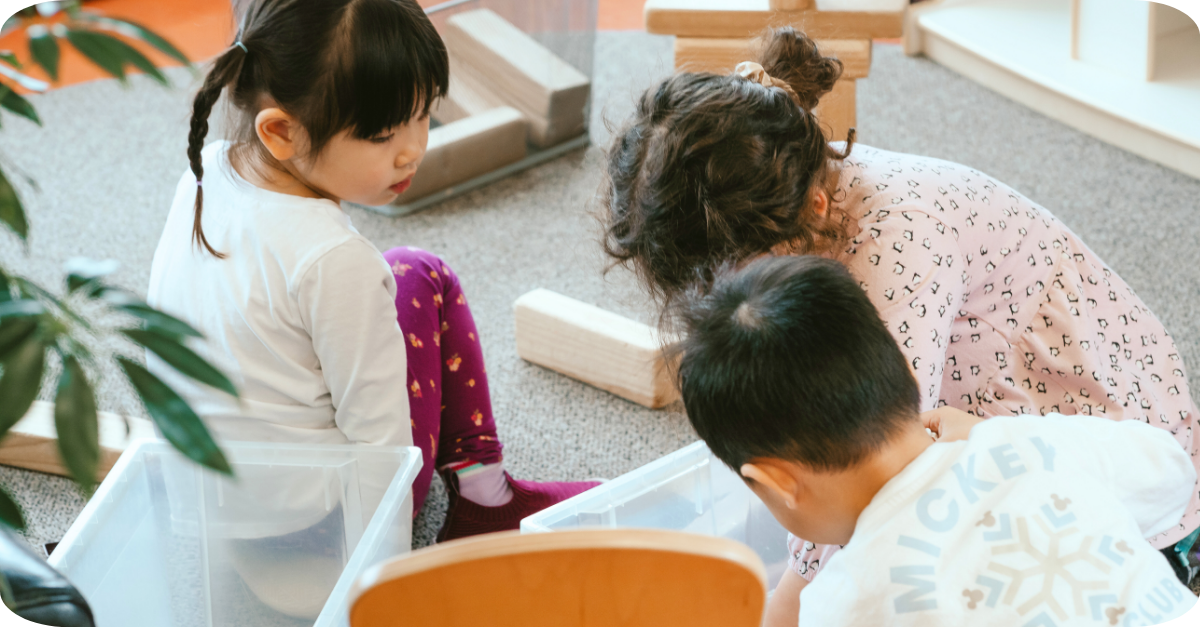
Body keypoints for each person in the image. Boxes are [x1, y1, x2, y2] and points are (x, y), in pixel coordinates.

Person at [600, 25, 1200, 606]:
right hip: (1029, 430)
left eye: (739, 273)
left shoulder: (900, 246)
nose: (735, 297)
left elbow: (866, 464)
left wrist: (799, 590)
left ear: (812, 209)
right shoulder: (806, 185)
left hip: (1096, 453)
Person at [146, 0, 595, 543]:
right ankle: (485, 496)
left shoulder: (206, 168)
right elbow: (383, 446)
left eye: (425, 112)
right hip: (323, 531)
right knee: (420, 272)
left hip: (214, 517)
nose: (413, 151)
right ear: (282, 132)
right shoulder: (335, 260)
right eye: (383, 135)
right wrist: (377, 569)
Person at [674, 255, 1197, 626]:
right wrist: (1005, 432)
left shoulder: (843, 603)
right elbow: (1172, 472)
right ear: (905, 367)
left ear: (776, 482)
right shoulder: (1029, 444)